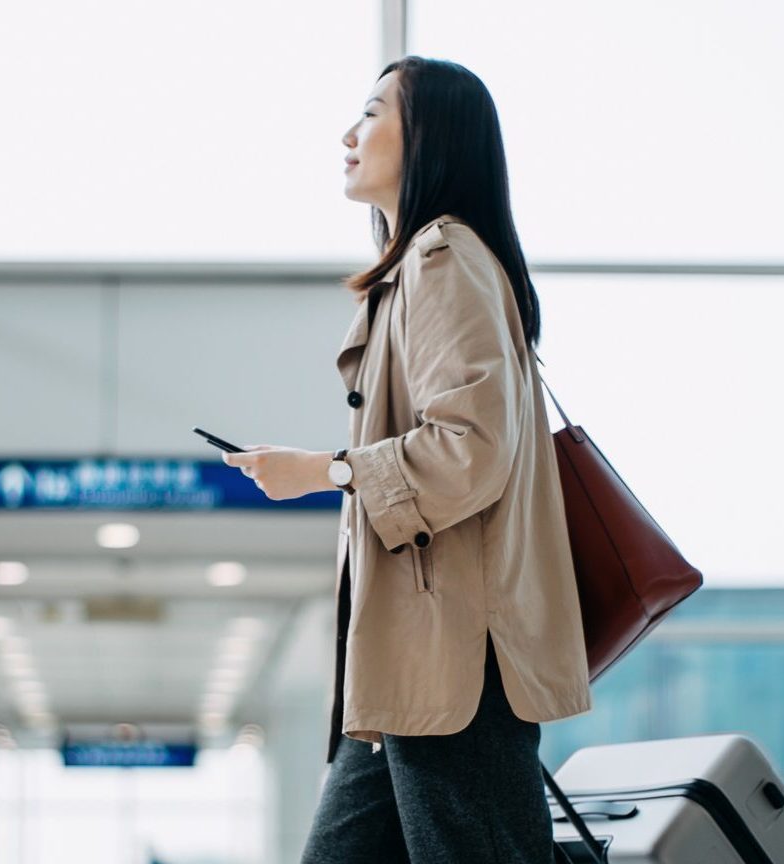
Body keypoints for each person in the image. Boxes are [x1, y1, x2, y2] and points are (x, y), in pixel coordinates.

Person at [221, 56, 591, 863]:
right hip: (408, 669)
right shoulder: (415, 270)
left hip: (453, 663)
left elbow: (470, 450)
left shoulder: (442, 258)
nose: (348, 135)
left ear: (428, 137)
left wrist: (326, 471)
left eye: (372, 113)